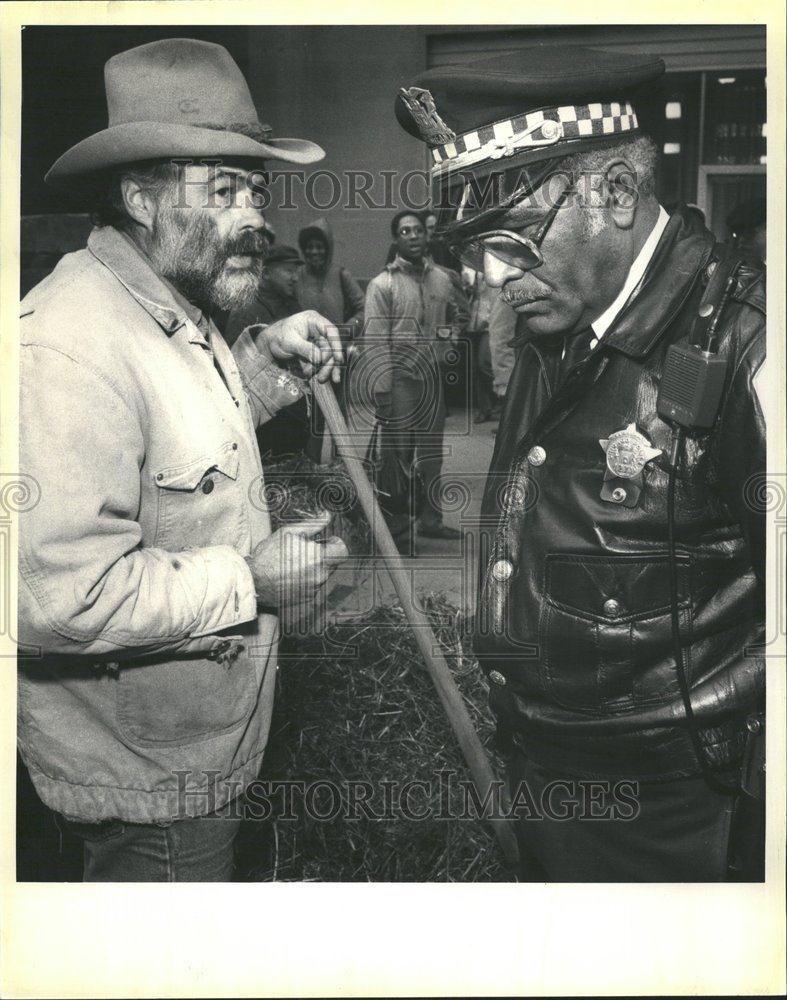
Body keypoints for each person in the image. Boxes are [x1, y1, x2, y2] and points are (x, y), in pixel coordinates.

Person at [396, 45, 766, 881]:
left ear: (617, 193)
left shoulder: (747, 345)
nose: (491, 281)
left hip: (677, 816)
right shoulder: (554, 323)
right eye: (473, 249)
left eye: (513, 239)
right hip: (548, 775)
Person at [18, 38, 347, 882]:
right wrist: (254, 581)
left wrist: (265, 365)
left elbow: (167, 433)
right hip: (149, 792)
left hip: (198, 750)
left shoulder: (169, 301)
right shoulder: (68, 346)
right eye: (224, 190)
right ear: (141, 197)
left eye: (257, 190)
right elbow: (56, 599)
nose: (255, 217)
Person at [362, 210, 467, 549]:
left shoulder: (442, 280)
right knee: (398, 458)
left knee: (432, 456)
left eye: (418, 230)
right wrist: (382, 390)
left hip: (431, 379)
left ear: (426, 235)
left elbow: (456, 315)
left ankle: (430, 521)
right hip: (399, 382)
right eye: (404, 231)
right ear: (396, 239)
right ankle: (398, 531)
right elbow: (374, 340)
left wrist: (448, 340)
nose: (412, 236)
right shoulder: (383, 285)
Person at [226, 245, 314, 462]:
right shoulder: (246, 312)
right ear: (265, 273)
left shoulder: (292, 305)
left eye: (296, 271)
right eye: (288, 271)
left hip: (295, 420)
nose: (295, 278)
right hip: (266, 430)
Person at [296, 218, 365, 460]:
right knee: (309, 415)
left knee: (338, 412)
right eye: (310, 247)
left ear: (328, 248)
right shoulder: (297, 276)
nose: (314, 251)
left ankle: (341, 467)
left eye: (320, 246)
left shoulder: (340, 274)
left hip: (336, 355)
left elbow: (362, 308)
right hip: (305, 357)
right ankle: (310, 467)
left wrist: (343, 333)